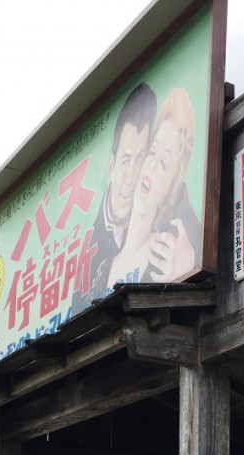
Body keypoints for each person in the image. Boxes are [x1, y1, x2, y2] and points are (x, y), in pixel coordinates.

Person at [104, 87, 201, 290]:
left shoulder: (167, 257)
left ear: (172, 186)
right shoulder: (103, 266)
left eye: (164, 163)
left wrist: (190, 262)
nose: (152, 165)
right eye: (152, 151)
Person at [74, 82, 156, 311]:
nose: (132, 177)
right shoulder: (88, 251)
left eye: (140, 159)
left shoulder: (159, 211)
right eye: (126, 160)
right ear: (111, 166)